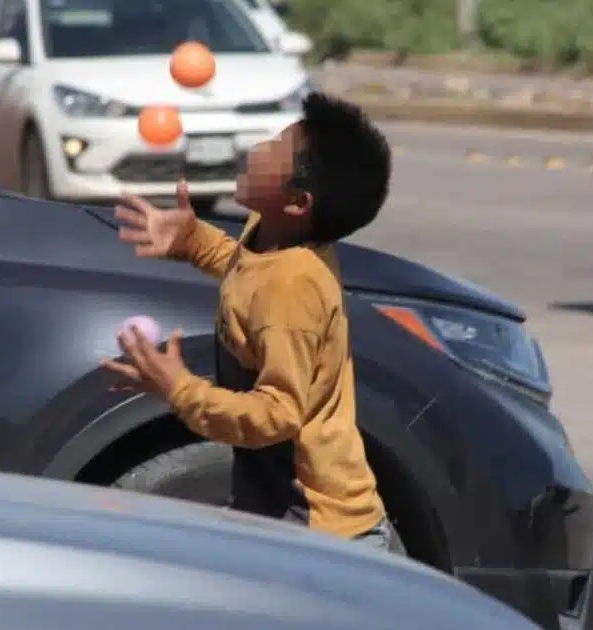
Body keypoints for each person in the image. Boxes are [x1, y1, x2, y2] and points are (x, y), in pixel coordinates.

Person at [103, 92, 404, 554]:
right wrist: (195, 242)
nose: (259, 150)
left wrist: (180, 388)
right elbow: (248, 277)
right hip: (281, 520)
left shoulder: (293, 287)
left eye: (276, 149)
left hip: (324, 537)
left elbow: (277, 415)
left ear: (298, 202)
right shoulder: (270, 240)